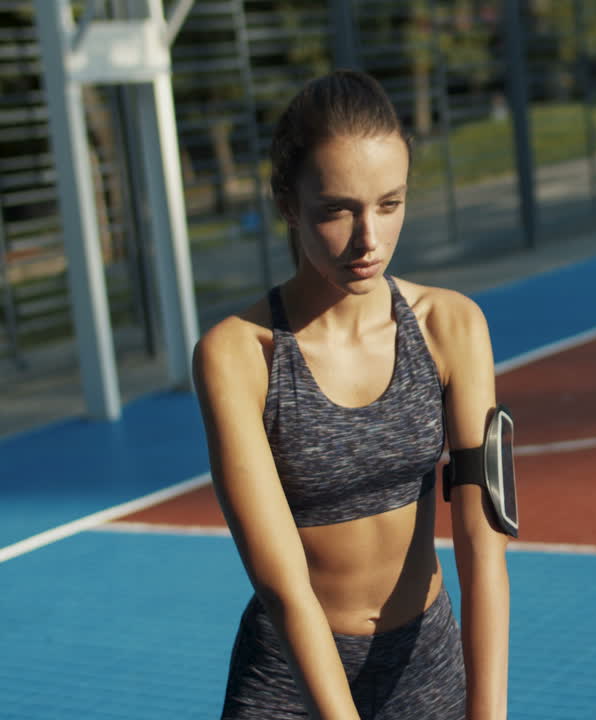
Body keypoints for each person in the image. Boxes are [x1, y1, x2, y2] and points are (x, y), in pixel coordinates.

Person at [192, 70, 509, 720]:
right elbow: (283, 590)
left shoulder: (453, 326)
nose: (369, 239)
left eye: (389, 205)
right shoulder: (239, 355)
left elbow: (483, 546)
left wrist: (489, 712)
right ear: (287, 203)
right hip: (290, 680)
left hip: (426, 669)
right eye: (337, 210)